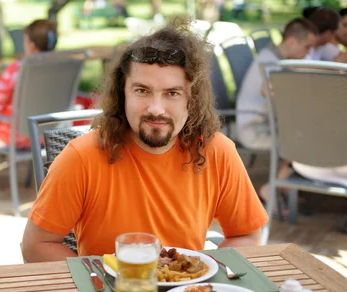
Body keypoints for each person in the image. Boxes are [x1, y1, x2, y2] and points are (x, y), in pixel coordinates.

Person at [21, 18, 268, 261]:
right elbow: (35, 246)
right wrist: (101, 281)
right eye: (142, 91)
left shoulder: (218, 152)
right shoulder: (81, 156)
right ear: (122, 93)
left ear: (191, 100)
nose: (156, 109)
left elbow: (246, 234)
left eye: (172, 93)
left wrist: (202, 273)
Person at [235, 18, 317, 209]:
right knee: (306, 139)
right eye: (307, 47)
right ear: (291, 42)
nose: (308, 53)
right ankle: (273, 188)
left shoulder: (274, 57)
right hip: (255, 130)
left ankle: (285, 184)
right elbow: (284, 104)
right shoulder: (270, 64)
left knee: (305, 133)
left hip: (266, 123)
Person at [0, 19, 58, 192]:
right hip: (47, 133)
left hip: (17, 133)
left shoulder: (19, 68)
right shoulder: (61, 64)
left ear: (31, 45)